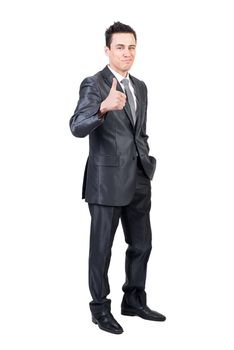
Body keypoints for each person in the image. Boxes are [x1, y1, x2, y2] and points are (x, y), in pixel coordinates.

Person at [69, 21, 166, 334]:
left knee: (142, 244)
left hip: (138, 176)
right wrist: (102, 108)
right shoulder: (94, 84)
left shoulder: (140, 86)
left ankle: (134, 300)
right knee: (102, 249)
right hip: (106, 182)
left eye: (132, 47)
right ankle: (100, 309)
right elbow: (76, 126)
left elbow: (139, 131)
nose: (127, 53)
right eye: (121, 47)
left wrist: (146, 160)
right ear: (107, 50)